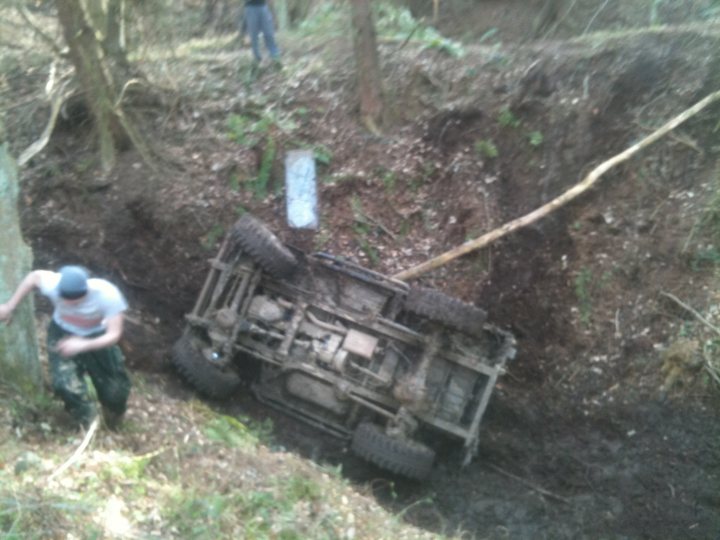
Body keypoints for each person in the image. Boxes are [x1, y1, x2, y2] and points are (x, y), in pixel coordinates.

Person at [0, 266, 131, 430]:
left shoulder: (107, 294)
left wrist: (83, 344)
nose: (69, 304)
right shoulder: (53, 284)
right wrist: (9, 306)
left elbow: (114, 334)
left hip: (97, 336)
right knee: (65, 385)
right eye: (65, 299)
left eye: (75, 301)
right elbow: (33, 277)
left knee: (115, 391)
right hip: (62, 333)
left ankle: (114, 422)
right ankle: (86, 422)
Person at [241, 0, 281, 66]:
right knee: (253, 35)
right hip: (250, 7)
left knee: (269, 32)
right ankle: (257, 59)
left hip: (263, 6)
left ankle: (275, 56)